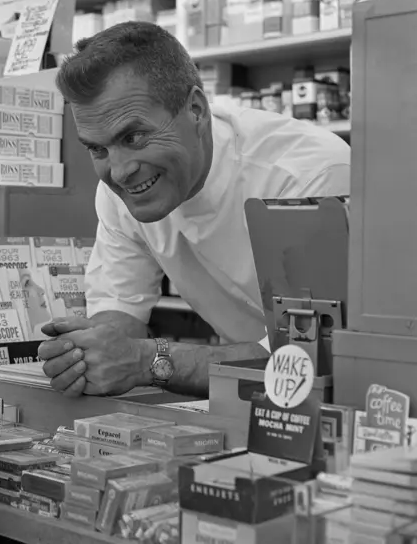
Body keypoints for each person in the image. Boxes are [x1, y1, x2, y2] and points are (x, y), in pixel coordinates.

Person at [39, 21, 350, 398]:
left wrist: (146, 361)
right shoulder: (121, 191)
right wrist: (87, 355)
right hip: (254, 395)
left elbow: (311, 357)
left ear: (197, 109)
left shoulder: (306, 176)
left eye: (134, 137)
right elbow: (118, 311)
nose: (119, 171)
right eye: (97, 149)